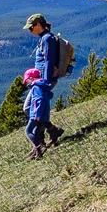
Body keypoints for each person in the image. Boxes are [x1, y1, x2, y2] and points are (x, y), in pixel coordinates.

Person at [23, 14, 65, 150]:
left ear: (38, 24)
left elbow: (49, 61)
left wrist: (45, 81)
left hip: (43, 81)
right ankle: (51, 131)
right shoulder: (44, 38)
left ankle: (41, 138)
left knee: (29, 108)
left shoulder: (47, 39)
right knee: (32, 109)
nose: (30, 30)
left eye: (31, 27)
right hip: (40, 81)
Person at [22, 68, 49, 159]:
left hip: (36, 115)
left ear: (32, 78)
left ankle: (38, 149)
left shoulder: (36, 87)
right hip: (45, 115)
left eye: (27, 80)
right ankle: (37, 151)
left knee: (28, 131)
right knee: (36, 132)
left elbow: (39, 100)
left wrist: (37, 114)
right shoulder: (43, 86)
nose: (26, 83)